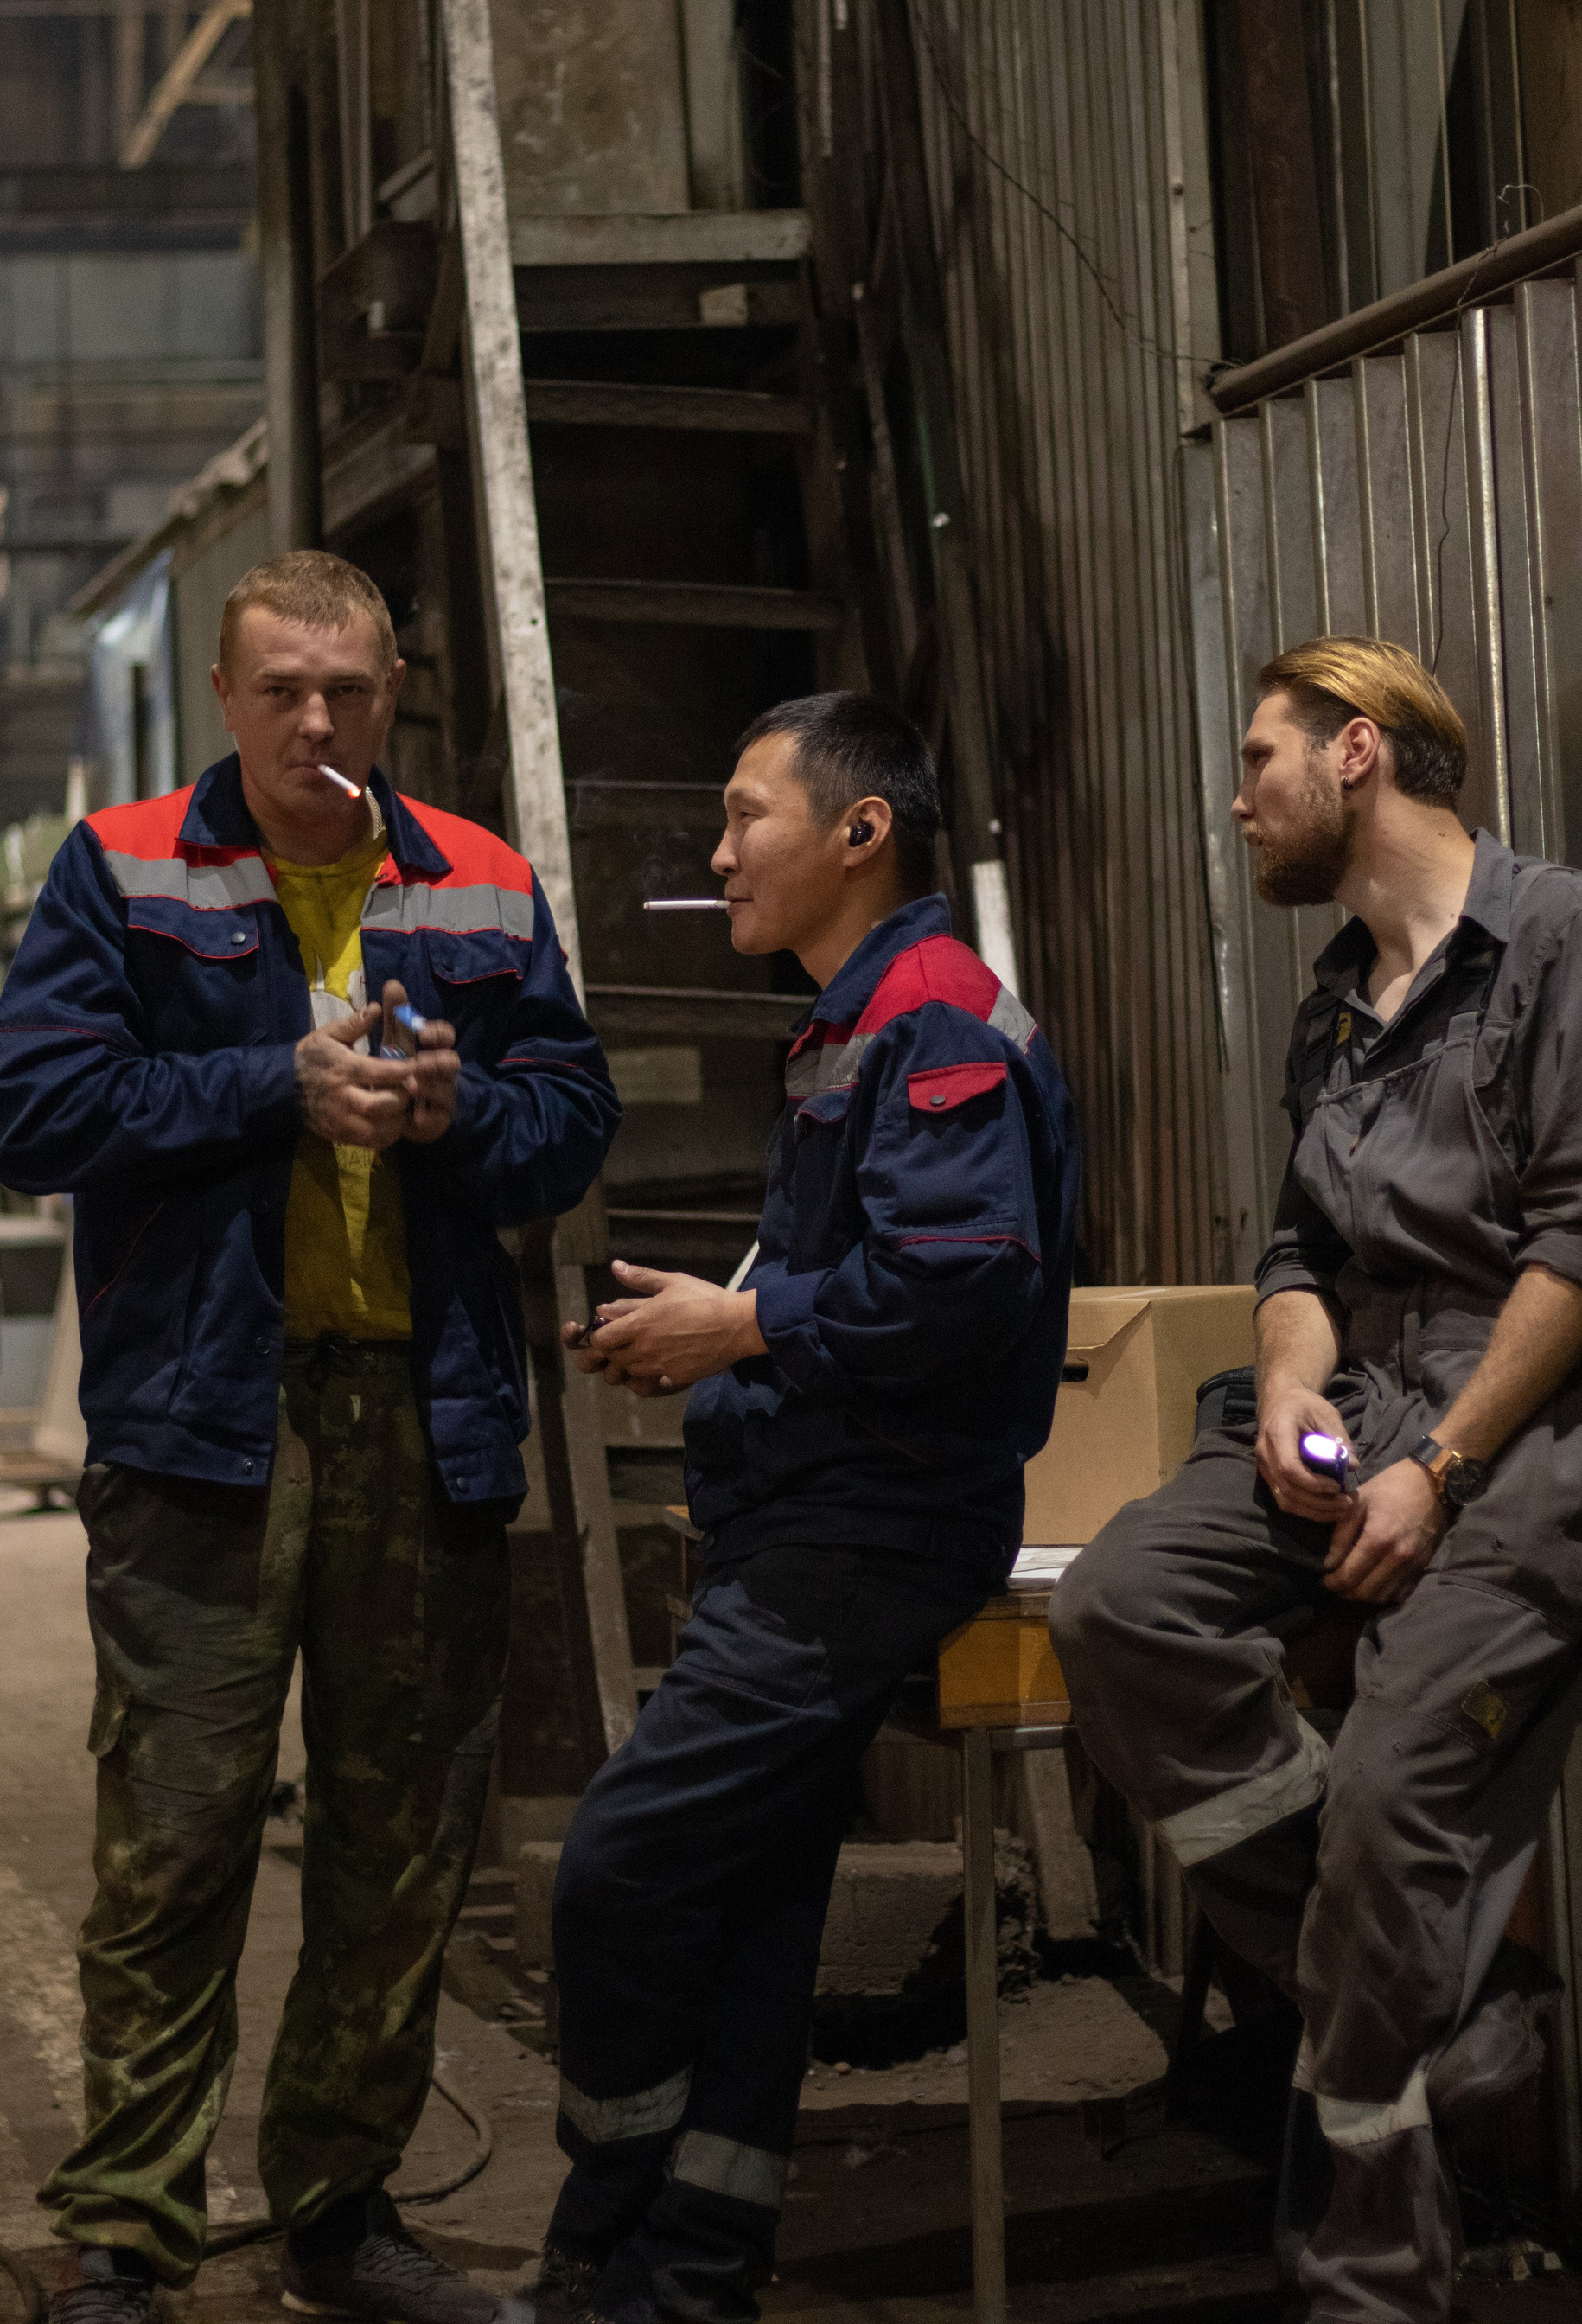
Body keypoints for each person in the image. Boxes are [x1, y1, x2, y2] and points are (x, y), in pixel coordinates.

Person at [0, 552, 620, 2324]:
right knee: (175, 1839)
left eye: (348, 689)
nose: (317, 721)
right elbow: (35, 1108)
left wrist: (457, 1112)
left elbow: (570, 1118)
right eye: (281, 689)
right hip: (208, 1420)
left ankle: (341, 2211)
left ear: (394, 691)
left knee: (399, 1843)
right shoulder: (126, 865)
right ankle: (128, 2230)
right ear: (225, 695)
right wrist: (273, 1083)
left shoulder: (479, 879)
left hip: (423, 1418)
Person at [1050, 635, 1582, 2324]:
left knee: (1394, 1796)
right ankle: (1436, 2000)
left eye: (1260, 759)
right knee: (1118, 1611)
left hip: (1542, 1410)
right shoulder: (1335, 1001)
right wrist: (1291, 1393)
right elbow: (1299, 1252)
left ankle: (1369, 2284)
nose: (1238, 800)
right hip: (1363, 1390)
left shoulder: (1572, 941)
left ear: (1360, 751)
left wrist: (1442, 1473)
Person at [504, 693, 1078, 2324]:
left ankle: (605, 2221)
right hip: (813, 1518)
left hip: (870, 1535)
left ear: (860, 831)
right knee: (756, 1910)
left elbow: (955, 1288)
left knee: (617, 1871)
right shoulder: (854, 1021)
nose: (717, 853)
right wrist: (712, 1341)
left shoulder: (932, 1017)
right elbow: (872, 1278)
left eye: (746, 814)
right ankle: (689, 2279)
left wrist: (740, 1328)